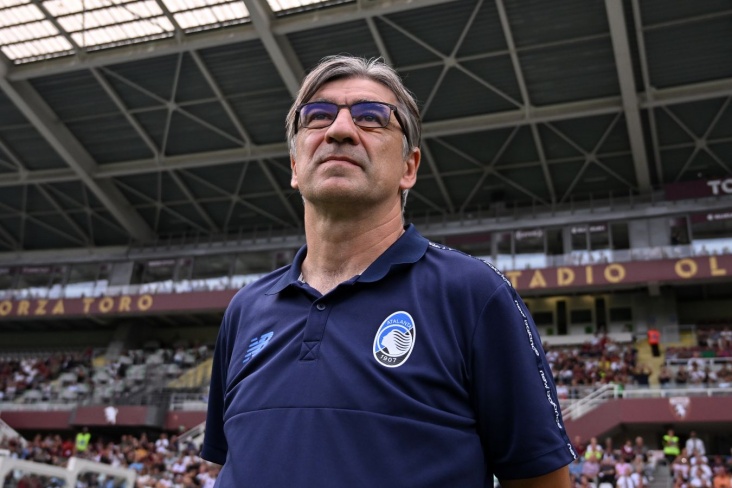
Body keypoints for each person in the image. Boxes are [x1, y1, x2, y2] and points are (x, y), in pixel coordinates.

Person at [201, 55, 575, 487]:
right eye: (317, 115)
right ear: (295, 168)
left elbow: (540, 479)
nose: (340, 130)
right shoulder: (246, 309)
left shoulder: (473, 293)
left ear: (409, 168)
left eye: (371, 117)